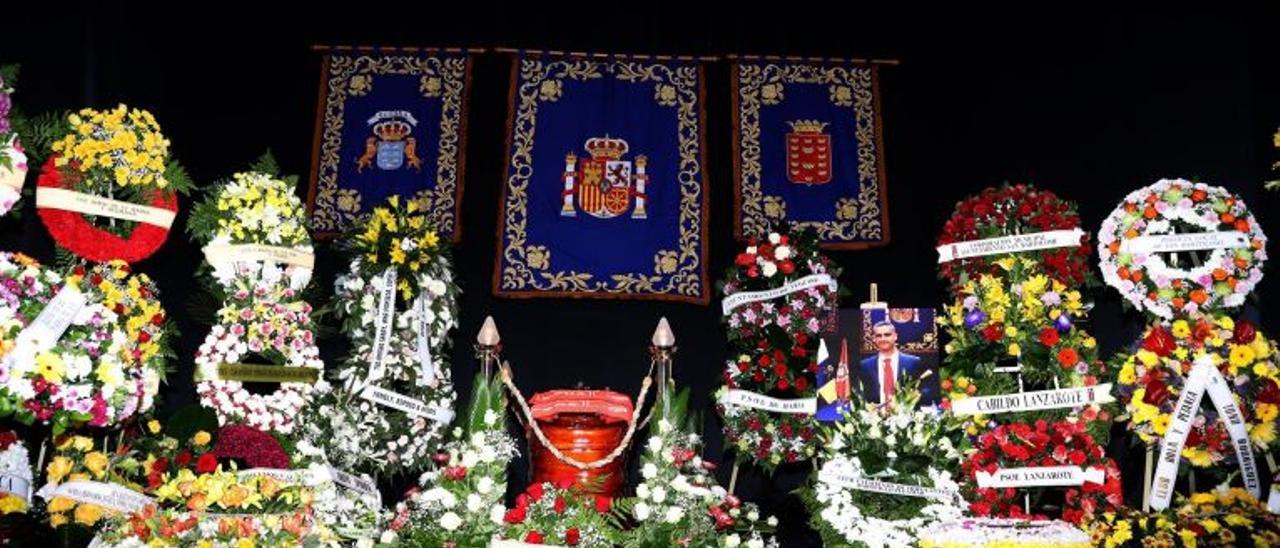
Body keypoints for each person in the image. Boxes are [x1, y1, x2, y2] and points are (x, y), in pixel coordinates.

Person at [857, 321, 939, 407]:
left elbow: (925, 390)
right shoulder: (865, 365)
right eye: (878, 336)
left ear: (895, 336)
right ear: (874, 338)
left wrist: (916, 395)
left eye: (887, 335)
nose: (883, 339)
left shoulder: (913, 362)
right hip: (875, 416)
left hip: (905, 416)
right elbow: (862, 393)